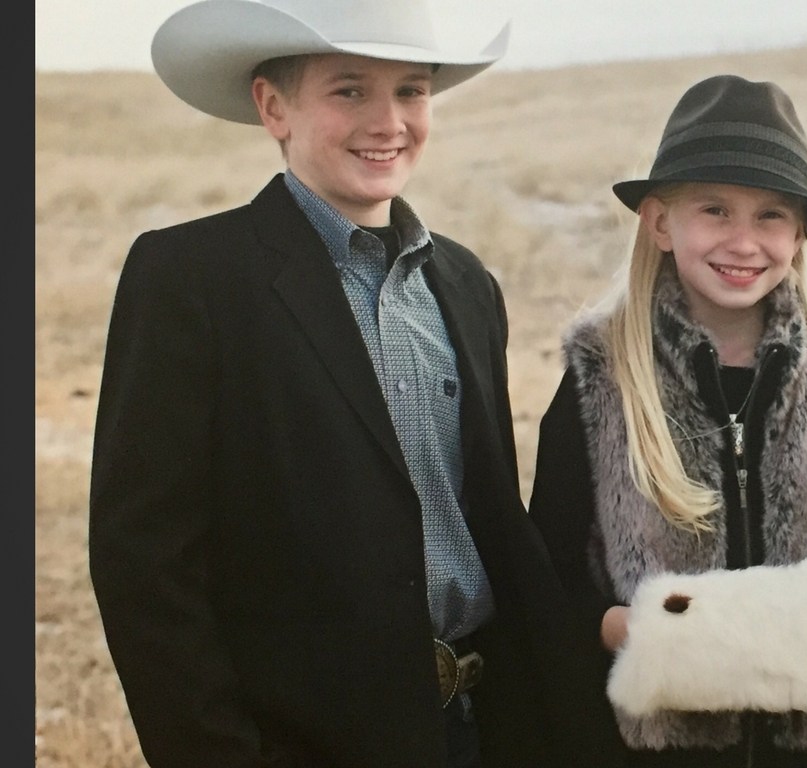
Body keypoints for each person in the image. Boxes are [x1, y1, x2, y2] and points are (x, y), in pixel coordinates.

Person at [87, 1, 604, 765]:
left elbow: (488, 518)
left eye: (411, 90)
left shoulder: (466, 283)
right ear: (274, 107)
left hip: (477, 728)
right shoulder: (192, 277)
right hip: (301, 741)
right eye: (350, 90)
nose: (388, 121)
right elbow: (144, 564)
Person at [526, 74, 807, 767]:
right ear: (659, 222)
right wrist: (634, 631)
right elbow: (550, 574)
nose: (743, 242)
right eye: (715, 210)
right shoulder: (602, 372)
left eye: (771, 216)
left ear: (799, 233)